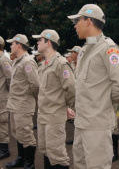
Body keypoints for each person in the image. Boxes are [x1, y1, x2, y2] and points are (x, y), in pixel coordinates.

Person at [67, 4, 119, 169]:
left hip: (97, 124)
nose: (74, 25)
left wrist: (102, 103)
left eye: (77, 21)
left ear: (88, 21)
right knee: (80, 164)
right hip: (81, 121)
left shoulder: (108, 49)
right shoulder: (84, 50)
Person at [33, 29, 75, 169]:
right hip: (43, 115)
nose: (37, 42)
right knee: (45, 150)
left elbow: (71, 88)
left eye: (40, 40)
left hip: (54, 116)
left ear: (48, 42)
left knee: (57, 155)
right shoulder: (43, 64)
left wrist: (67, 106)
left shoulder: (60, 63)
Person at [5, 34, 39, 169]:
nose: (10, 46)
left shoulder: (27, 62)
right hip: (15, 104)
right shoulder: (17, 61)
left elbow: (35, 85)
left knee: (26, 135)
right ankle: (21, 158)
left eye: (12, 44)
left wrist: (30, 100)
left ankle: (29, 164)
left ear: (18, 45)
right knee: (18, 133)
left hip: (23, 105)